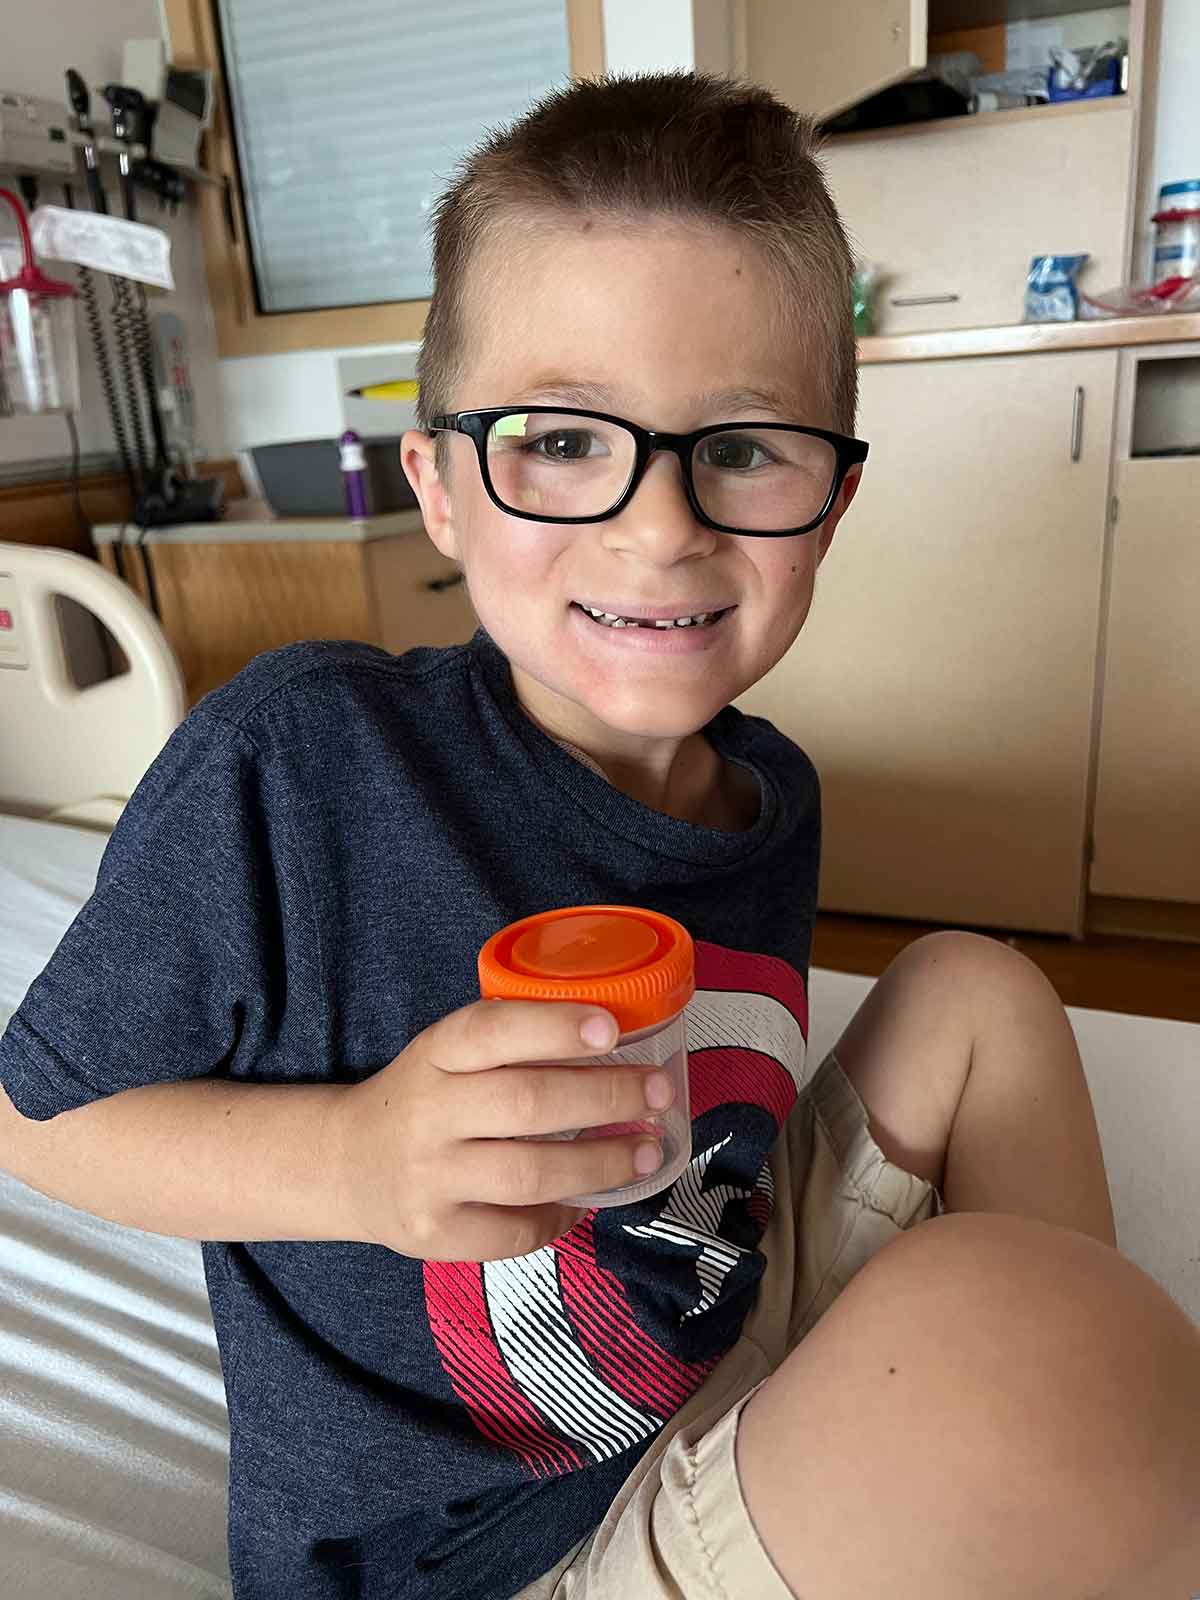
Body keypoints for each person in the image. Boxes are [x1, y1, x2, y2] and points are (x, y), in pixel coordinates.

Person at [2, 69, 1199, 1600]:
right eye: (564, 440)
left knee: (979, 997)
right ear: (437, 485)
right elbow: (34, 1116)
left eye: (746, 446)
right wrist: (356, 1164)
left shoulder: (768, 796)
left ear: (830, 505)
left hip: (700, 1337)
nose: (661, 526)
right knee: (1013, 1337)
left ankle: (1067, 1457)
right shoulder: (303, 763)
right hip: (479, 1553)